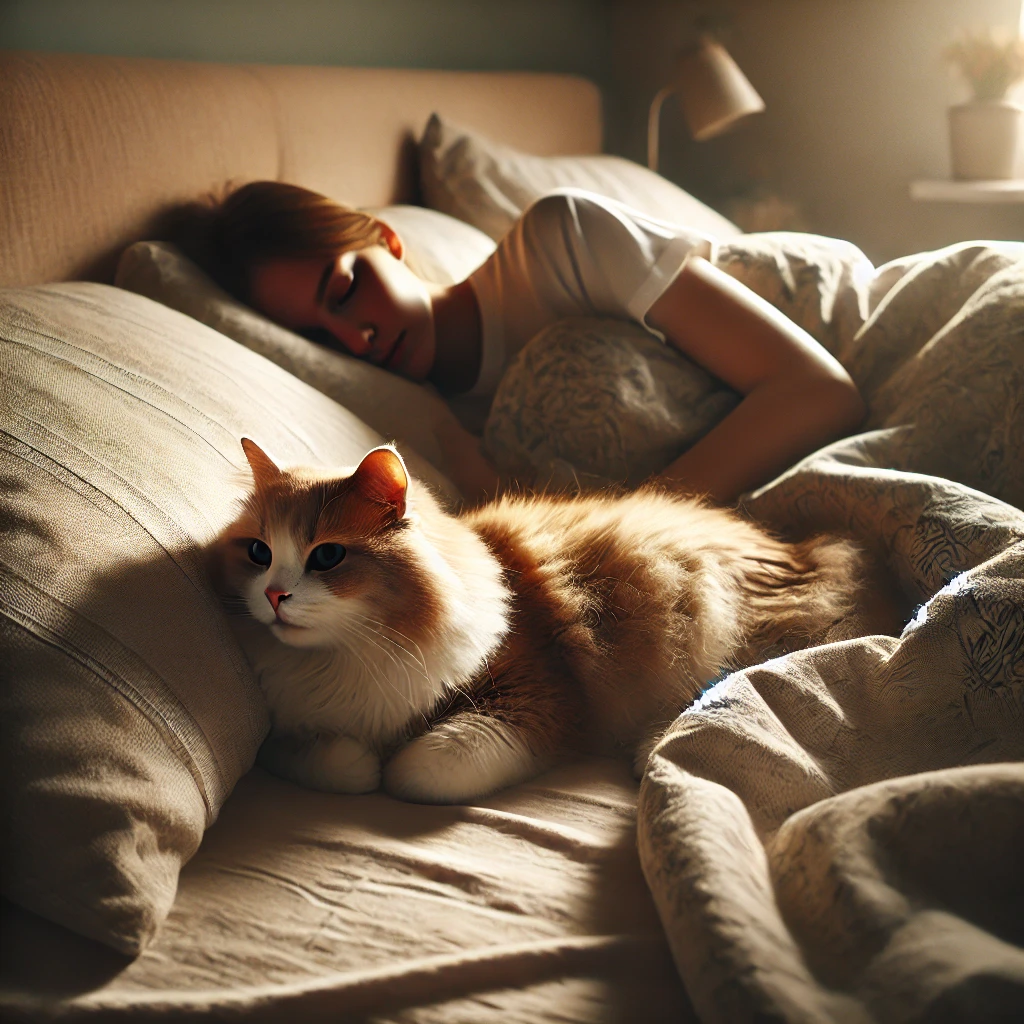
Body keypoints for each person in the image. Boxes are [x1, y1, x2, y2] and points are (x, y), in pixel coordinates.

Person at [184, 181, 865, 506]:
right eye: (314, 335)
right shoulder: (428, 436)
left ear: (387, 242)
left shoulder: (560, 242)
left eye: (344, 289)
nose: (352, 337)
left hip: (852, 325)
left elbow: (817, 391)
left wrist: (637, 523)